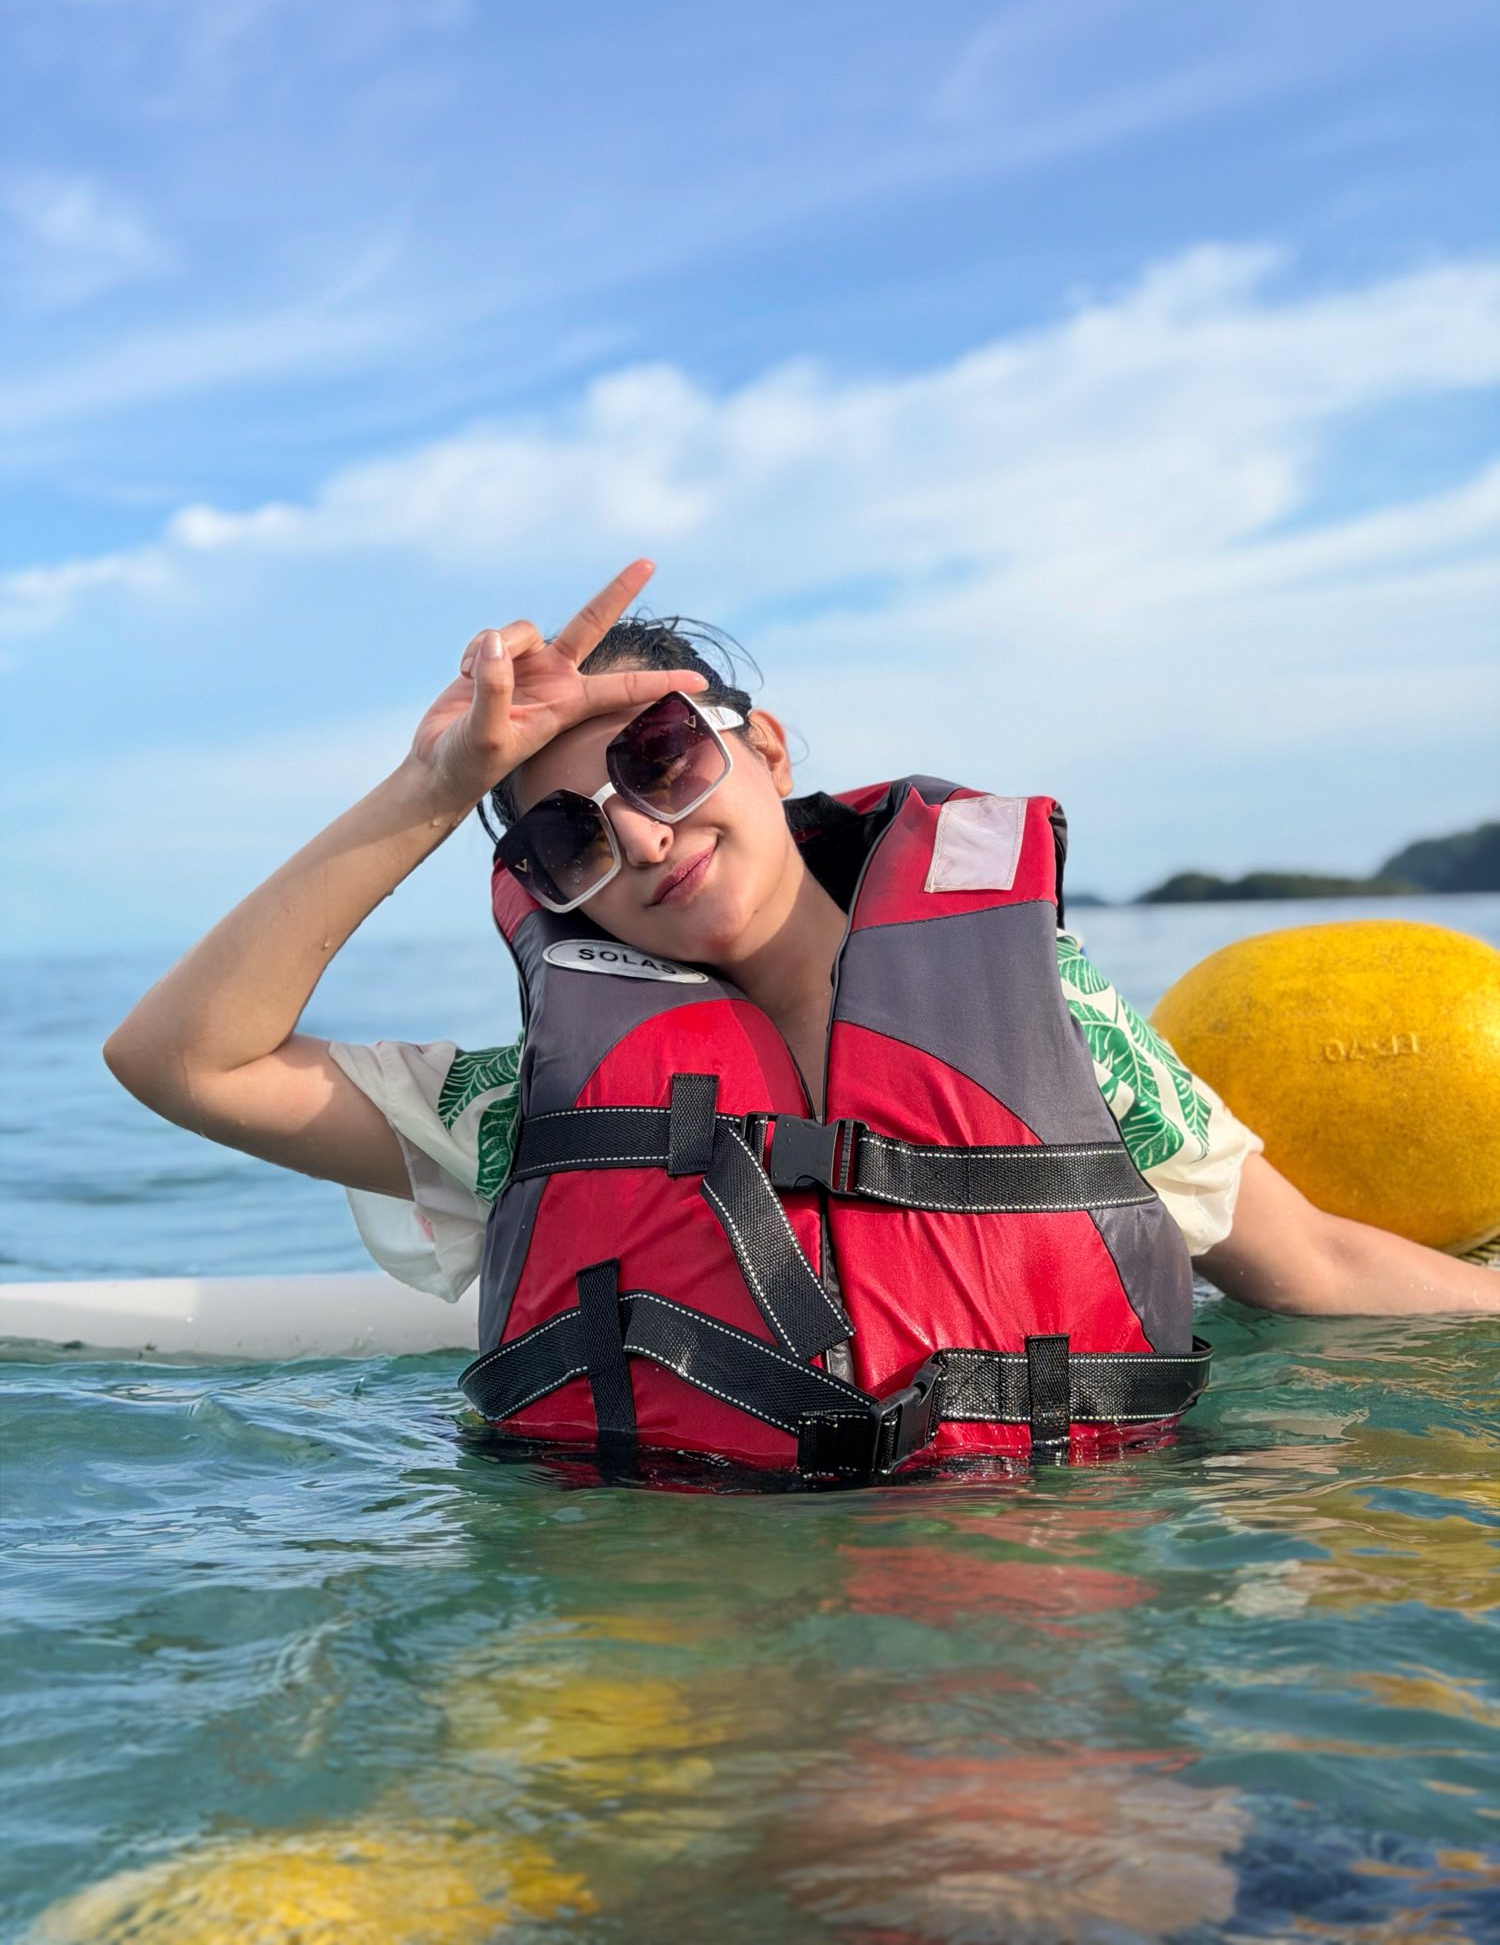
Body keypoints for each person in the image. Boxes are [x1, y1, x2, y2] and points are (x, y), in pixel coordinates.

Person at [104, 561, 1498, 1453]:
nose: (640, 834)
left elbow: (1312, 1266)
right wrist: (430, 789)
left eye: (659, 760)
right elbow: (183, 1061)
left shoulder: (1053, 1020)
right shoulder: (519, 1114)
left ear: (763, 748)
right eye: (567, 839)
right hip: (701, 1680)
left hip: (1039, 1648)